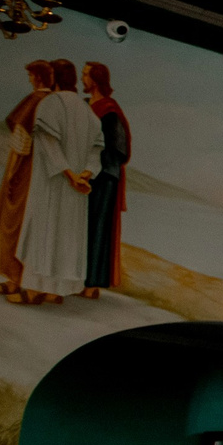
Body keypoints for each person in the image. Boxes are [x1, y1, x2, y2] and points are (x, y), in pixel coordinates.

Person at [16, 58, 99, 305]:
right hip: (75, 189)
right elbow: (97, 149)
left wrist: (70, 174)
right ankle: (55, 291)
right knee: (65, 237)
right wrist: (85, 174)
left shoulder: (50, 103)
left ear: (54, 77)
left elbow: (48, 143)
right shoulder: (87, 110)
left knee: (44, 231)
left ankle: (34, 290)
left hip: (52, 183)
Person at [0, 60, 53, 301]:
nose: (29, 79)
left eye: (31, 75)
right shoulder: (53, 102)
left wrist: (11, 174)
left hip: (24, 171)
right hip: (39, 173)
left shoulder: (36, 100)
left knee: (13, 224)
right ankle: (16, 280)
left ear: (38, 78)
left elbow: (22, 141)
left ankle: (15, 279)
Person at [81, 62, 130, 298]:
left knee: (98, 229)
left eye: (85, 75)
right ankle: (78, 277)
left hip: (104, 177)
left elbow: (119, 150)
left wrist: (94, 164)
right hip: (84, 175)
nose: (82, 79)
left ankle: (92, 283)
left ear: (96, 80)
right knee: (81, 226)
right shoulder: (83, 106)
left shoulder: (110, 111)